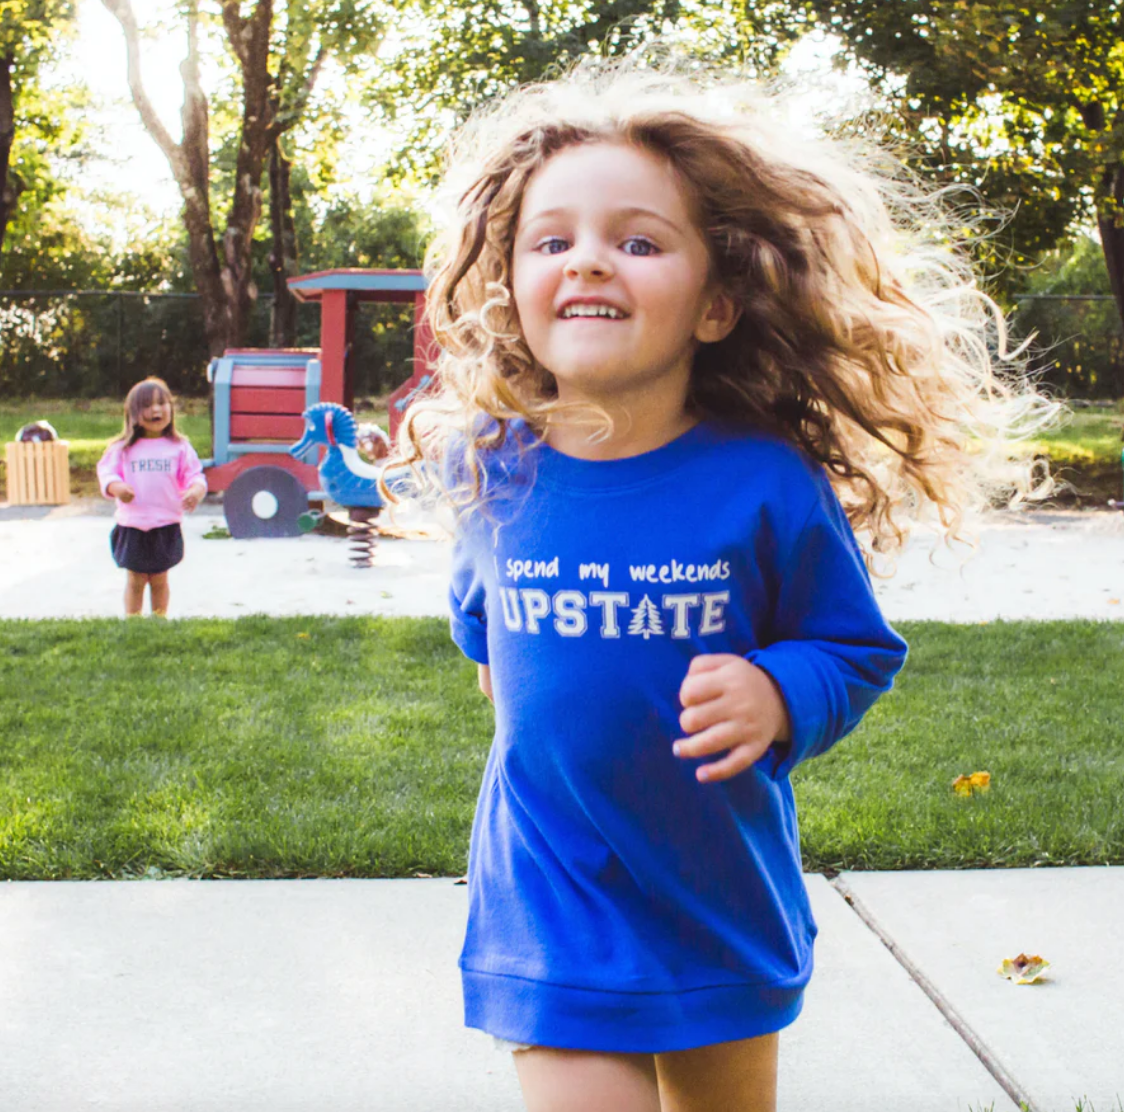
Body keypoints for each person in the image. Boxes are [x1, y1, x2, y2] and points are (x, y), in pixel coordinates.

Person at [393, 56, 1052, 1112]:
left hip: (716, 899)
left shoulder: (761, 483)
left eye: (638, 240)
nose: (590, 261)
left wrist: (779, 693)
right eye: (551, 240)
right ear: (510, 286)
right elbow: (489, 650)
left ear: (715, 304)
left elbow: (853, 647)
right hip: (553, 900)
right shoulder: (491, 469)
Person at [96, 377, 206, 617]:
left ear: (171, 409)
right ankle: (133, 622)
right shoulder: (122, 448)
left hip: (165, 523)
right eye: (147, 405)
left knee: (159, 578)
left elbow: (195, 475)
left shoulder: (179, 447)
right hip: (133, 524)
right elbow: (106, 472)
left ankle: (159, 620)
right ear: (133, 414)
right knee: (136, 579)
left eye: (162, 403)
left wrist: (195, 492)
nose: (156, 409)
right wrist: (117, 488)